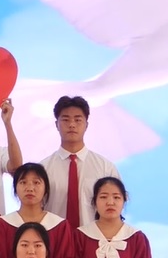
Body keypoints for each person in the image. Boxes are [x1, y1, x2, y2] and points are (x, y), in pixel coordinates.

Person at [42, 96, 120, 228]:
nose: (72, 125)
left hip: (94, 238)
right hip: (54, 238)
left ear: (86, 125)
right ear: (56, 124)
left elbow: (115, 208)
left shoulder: (105, 168)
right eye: (65, 120)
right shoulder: (43, 168)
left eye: (78, 120)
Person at [0, 164, 78, 258]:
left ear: (46, 189)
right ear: (15, 188)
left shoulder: (60, 225)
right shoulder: (2, 224)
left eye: (36, 182)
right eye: (23, 182)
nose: (30, 188)